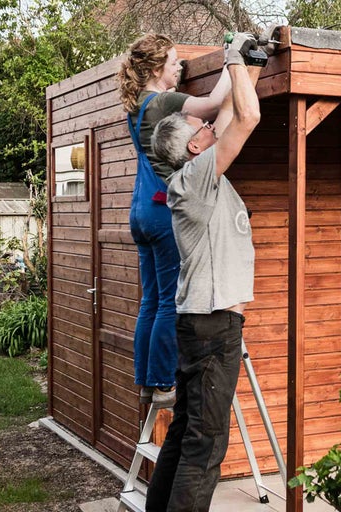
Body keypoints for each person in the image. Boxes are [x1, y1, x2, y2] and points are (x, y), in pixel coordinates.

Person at [144, 33, 265, 512]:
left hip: (201, 323)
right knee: (206, 443)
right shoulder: (196, 179)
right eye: (204, 125)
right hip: (214, 325)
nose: (213, 125)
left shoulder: (197, 175)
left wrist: (252, 62)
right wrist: (232, 55)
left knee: (185, 434)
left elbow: (233, 113)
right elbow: (248, 118)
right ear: (196, 145)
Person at [117, 33, 231, 406]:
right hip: (162, 207)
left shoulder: (136, 106)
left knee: (150, 299)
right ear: (155, 69)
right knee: (170, 299)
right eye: (173, 62)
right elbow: (214, 103)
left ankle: (147, 381)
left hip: (140, 210)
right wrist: (233, 59)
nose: (179, 66)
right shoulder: (161, 100)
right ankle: (165, 383)